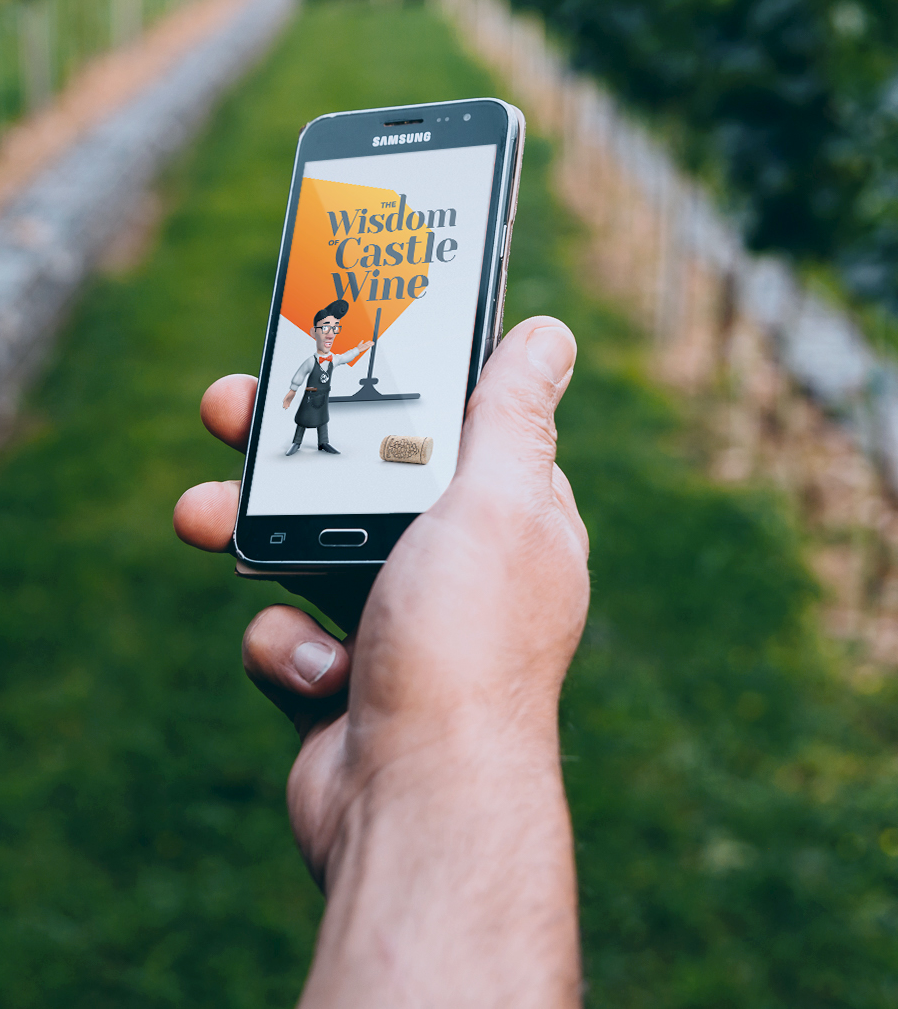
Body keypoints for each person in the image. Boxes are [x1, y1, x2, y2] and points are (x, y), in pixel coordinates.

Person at [174, 315, 590, 1007]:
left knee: (285, 441)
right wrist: (439, 772)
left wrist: (424, 768)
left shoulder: (346, 351)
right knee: (288, 427)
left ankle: (317, 440)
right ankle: (314, 440)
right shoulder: (317, 352)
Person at [281, 299, 371, 455]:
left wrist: (357, 350)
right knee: (303, 418)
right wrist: (291, 392)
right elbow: (300, 375)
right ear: (313, 332)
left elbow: (345, 357)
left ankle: (323, 442)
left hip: (323, 396)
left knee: (323, 419)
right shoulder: (311, 361)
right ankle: (296, 442)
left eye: (335, 328)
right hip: (310, 395)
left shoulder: (333, 359)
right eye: (325, 328)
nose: (330, 334)